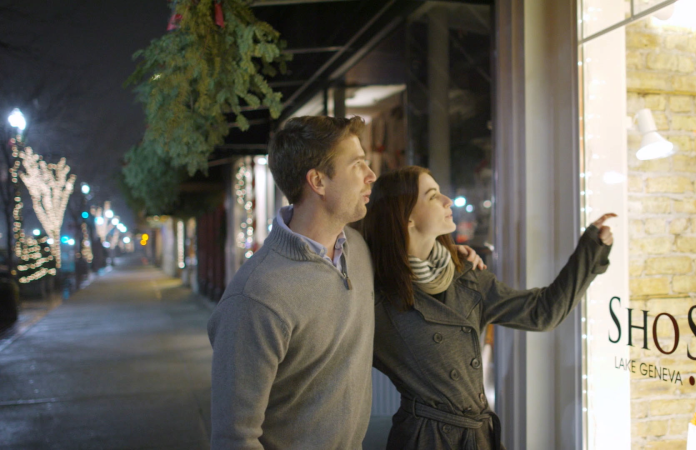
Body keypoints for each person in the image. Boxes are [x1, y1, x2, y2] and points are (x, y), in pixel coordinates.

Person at [206, 116, 484, 449]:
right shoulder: (255, 298)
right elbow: (234, 438)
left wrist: (453, 253)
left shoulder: (356, 248)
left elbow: (407, 246)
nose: (371, 176)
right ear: (318, 181)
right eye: (357, 165)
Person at [362, 166, 615, 450]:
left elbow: (542, 313)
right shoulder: (376, 293)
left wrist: (591, 250)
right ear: (406, 215)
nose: (448, 200)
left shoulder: (467, 276)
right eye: (433, 196)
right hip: (425, 439)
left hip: (479, 437)